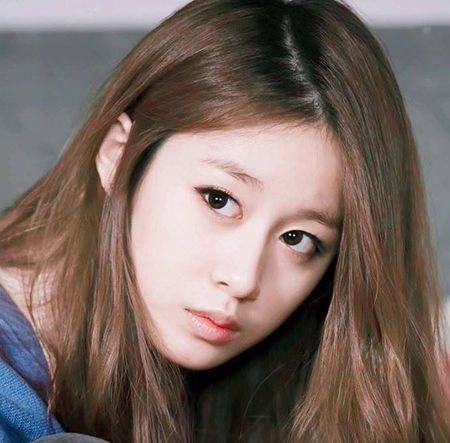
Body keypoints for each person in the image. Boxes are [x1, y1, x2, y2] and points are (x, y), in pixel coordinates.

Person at [0, 0, 449, 441]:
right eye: (219, 200)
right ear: (119, 156)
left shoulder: (288, 369)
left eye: (298, 239)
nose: (243, 279)